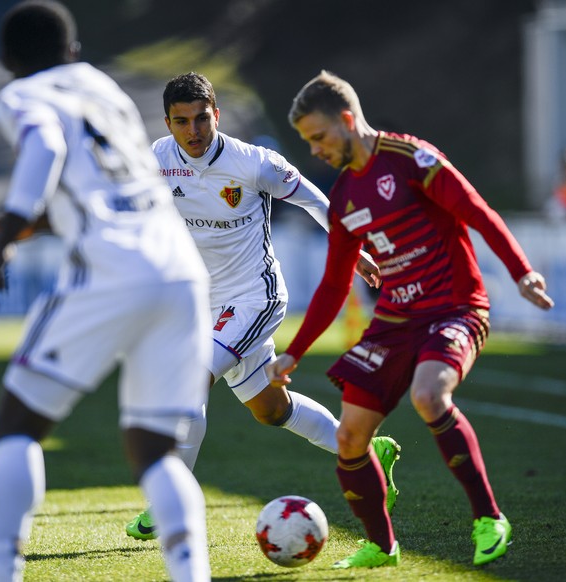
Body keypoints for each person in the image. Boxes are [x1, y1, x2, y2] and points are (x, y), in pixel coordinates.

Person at [267, 70, 555, 569]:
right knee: (350, 436)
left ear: (348, 120)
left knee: (428, 394)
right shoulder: (344, 199)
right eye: (307, 141)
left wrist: (522, 272)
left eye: (319, 136)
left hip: (455, 306)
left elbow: (477, 212)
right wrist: (296, 350)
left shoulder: (411, 159)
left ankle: (489, 518)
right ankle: (382, 545)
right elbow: (335, 284)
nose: (314, 149)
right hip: (396, 319)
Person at [0, 3, 211, 581]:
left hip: (110, 269)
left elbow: (46, 148)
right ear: (73, 50)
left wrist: (4, 237)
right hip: (179, 269)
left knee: (16, 427)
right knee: (154, 448)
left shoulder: (21, 95)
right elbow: (113, 185)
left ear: (8, 60)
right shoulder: (104, 88)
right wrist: (37, 223)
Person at [124, 72, 401, 541]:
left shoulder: (253, 162)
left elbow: (317, 202)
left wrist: (356, 252)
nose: (193, 131)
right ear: (167, 123)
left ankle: (168, 505)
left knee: (191, 382)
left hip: (255, 296)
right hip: (202, 307)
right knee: (271, 410)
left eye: (201, 119)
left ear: (217, 114)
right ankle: (364, 452)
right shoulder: (156, 159)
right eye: (181, 121)